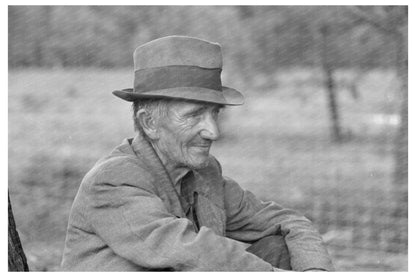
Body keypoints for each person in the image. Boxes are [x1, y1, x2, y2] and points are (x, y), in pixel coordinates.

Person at [61, 36, 334, 271]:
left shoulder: (203, 173)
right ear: (149, 123)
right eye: (193, 116)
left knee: (279, 248)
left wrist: (313, 269)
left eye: (215, 113)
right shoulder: (114, 180)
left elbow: (288, 221)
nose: (213, 132)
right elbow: (191, 252)